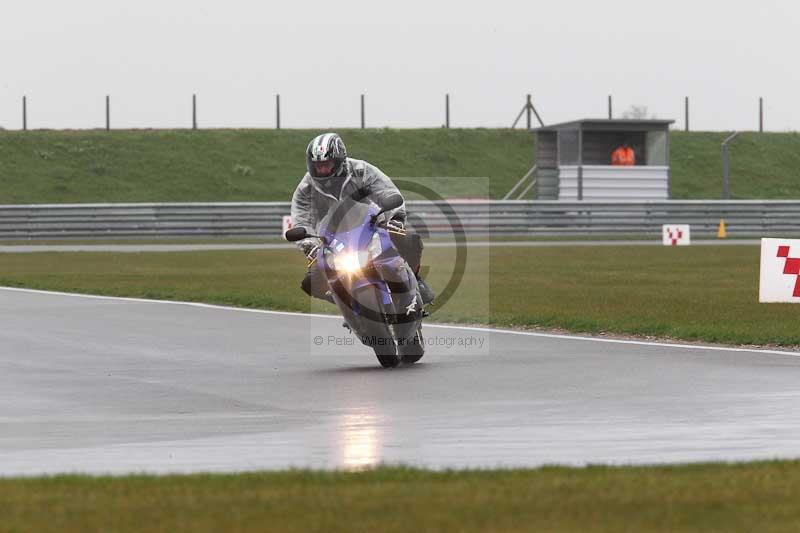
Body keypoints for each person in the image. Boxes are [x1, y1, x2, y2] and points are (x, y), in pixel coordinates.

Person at [290, 132, 435, 306]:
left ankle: (416, 281)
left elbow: (387, 191)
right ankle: (343, 302)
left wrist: (395, 218)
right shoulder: (306, 188)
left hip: (371, 226)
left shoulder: (361, 170)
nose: (322, 170)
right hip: (331, 240)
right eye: (317, 166)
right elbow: (301, 220)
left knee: (410, 242)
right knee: (310, 283)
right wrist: (310, 247)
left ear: (339, 161)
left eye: (326, 165)